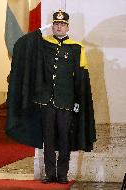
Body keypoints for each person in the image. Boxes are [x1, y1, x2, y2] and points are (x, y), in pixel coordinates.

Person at [6, 10, 96, 184]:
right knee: (47, 137)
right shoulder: (43, 44)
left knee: (64, 138)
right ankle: (49, 173)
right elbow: (23, 44)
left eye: (62, 24)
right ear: (52, 26)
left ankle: (62, 173)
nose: (59, 27)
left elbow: (80, 78)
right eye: (55, 24)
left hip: (66, 101)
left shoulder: (77, 48)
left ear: (67, 27)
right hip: (46, 100)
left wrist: (77, 101)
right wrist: (40, 30)